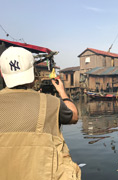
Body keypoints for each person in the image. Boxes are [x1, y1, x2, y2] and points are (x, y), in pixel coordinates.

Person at [0, 47, 81, 180]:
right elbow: (74, 116)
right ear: (33, 72)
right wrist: (62, 92)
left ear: (2, 74)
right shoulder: (51, 103)